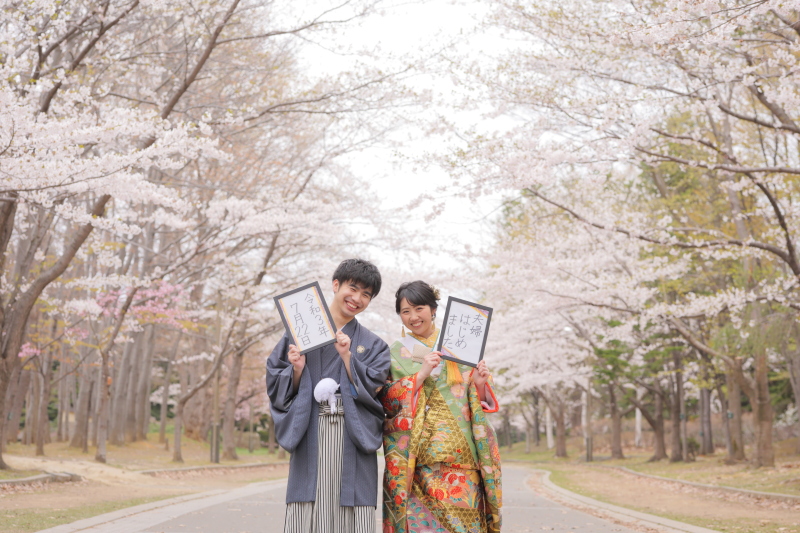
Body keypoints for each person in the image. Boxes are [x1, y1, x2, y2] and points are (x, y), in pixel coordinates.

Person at [267, 259, 391, 533]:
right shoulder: (299, 331)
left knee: (352, 512)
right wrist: (297, 370)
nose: (357, 298)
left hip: (352, 434)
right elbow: (276, 380)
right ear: (336, 285)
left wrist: (347, 357)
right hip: (310, 428)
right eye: (353, 288)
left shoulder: (374, 345)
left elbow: (375, 390)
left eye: (366, 295)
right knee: (307, 511)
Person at [380, 280, 502, 533]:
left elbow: (474, 398)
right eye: (405, 311)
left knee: (464, 525)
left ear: (433, 309)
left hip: (462, 454)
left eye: (419, 308)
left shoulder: (459, 345)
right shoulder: (395, 353)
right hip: (418, 457)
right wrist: (421, 374)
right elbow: (388, 399)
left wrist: (479, 383)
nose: (413, 317)